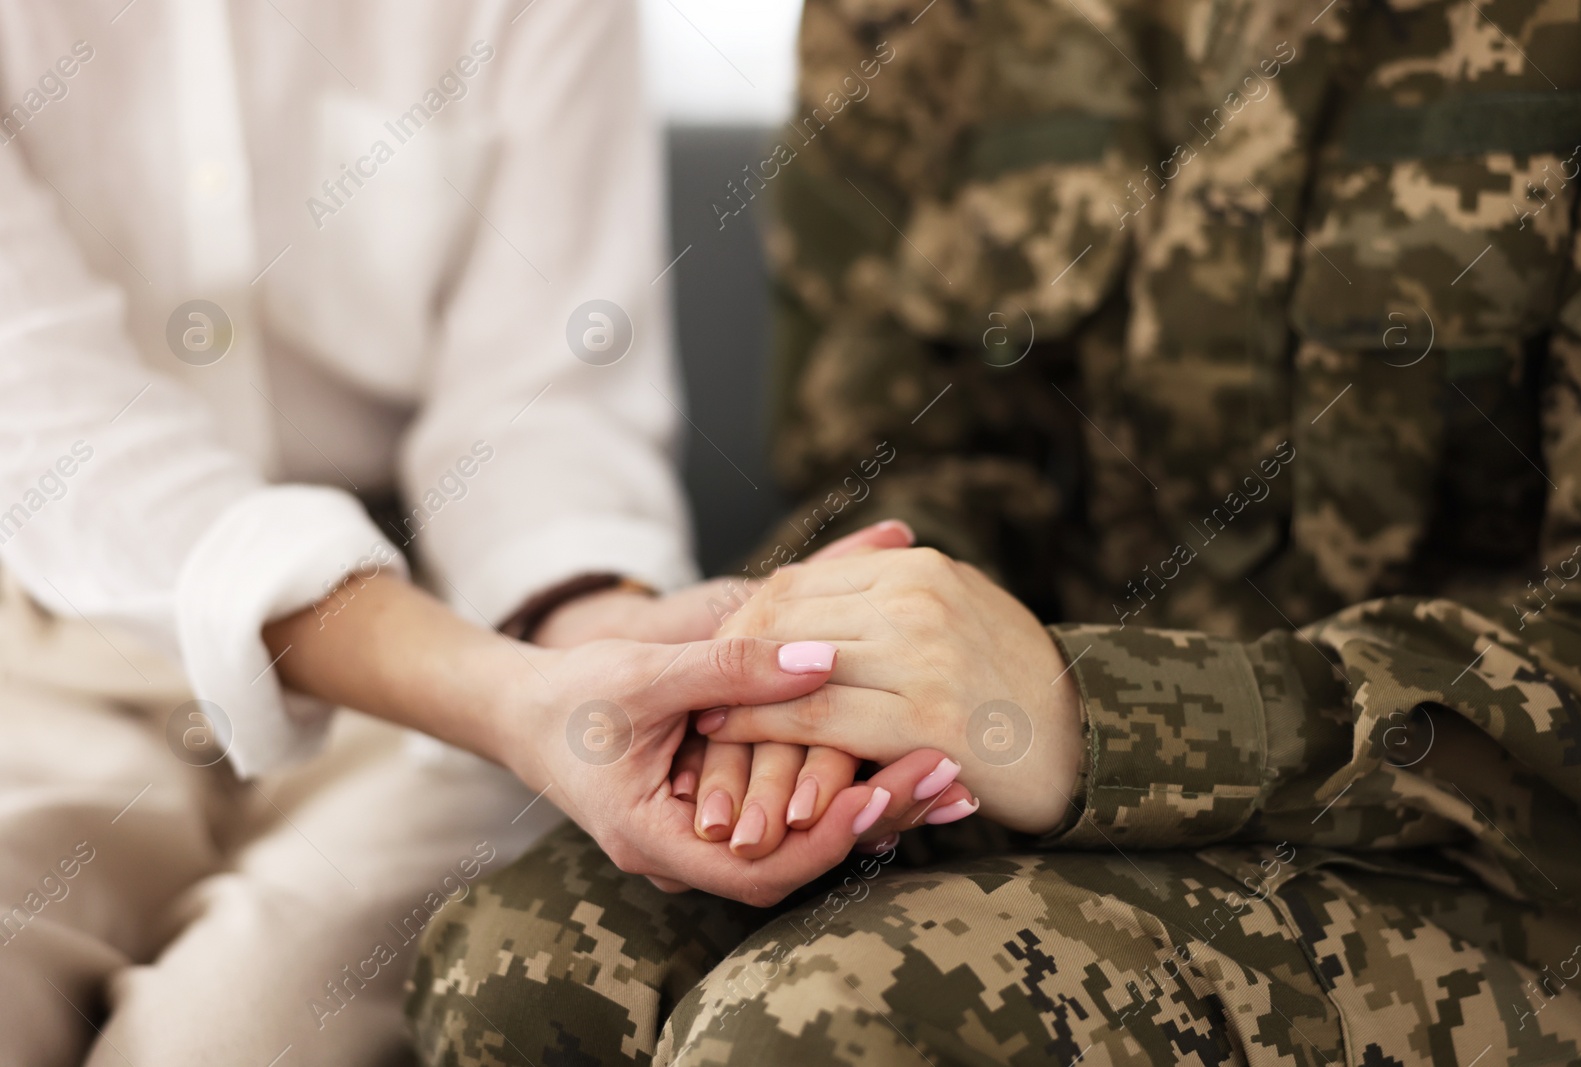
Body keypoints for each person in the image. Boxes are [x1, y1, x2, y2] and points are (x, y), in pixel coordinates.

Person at [406, 0, 1581, 1062]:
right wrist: (833, 675)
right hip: (1024, 785)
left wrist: (1088, 713)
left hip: (1510, 858)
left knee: (814, 1029)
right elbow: (909, 446)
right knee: (523, 967)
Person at [0, 2, 949, 1063]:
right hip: (46, 651)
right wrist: (507, 698)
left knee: (237, 1041)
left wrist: (607, 642)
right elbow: (52, 438)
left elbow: (538, 414)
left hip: (439, 665)